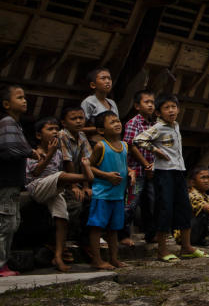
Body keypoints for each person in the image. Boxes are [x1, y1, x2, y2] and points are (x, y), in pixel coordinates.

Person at [134, 95, 205, 262]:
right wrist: (155, 150)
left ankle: (186, 247)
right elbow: (138, 139)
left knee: (184, 207)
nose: (171, 110)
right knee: (164, 209)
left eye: (174, 106)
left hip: (178, 171)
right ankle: (162, 250)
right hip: (164, 173)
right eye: (167, 108)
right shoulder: (159, 127)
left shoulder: (176, 126)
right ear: (159, 112)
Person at [25, 116, 93, 271]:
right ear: (38, 135)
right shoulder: (34, 152)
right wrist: (49, 154)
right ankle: (86, 176)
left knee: (62, 217)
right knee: (60, 176)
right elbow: (36, 172)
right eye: (50, 129)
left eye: (56, 129)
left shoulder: (58, 153)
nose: (55, 132)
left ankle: (58, 256)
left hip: (53, 188)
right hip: (37, 187)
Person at [87, 111, 131, 270]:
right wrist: (106, 175)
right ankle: (97, 260)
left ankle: (114, 258)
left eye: (118, 121)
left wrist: (130, 172)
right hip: (102, 194)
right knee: (97, 227)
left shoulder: (125, 145)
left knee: (114, 229)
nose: (117, 124)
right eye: (112, 122)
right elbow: (89, 166)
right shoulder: (101, 146)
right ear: (101, 130)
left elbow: (123, 165)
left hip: (118, 195)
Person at [0, 85, 33, 276]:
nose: (24, 100)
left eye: (24, 97)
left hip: (11, 182)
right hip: (6, 182)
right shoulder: (7, 123)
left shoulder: (15, 123)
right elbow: (9, 149)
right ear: (6, 104)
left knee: (11, 222)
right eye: (19, 97)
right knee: (6, 223)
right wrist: (30, 151)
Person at [121, 90, 156, 246]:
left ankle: (150, 234)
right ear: (137, 106)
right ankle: (122, 235)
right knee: (131, 204)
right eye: (146, 102)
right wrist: (146, 164)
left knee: (151, 204)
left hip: (151, 172)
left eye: (152, 102)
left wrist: (153, 166)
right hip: (137, 171)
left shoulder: (154, 124)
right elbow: (130, 145)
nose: (150, 105)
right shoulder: (133, 123)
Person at [81, 68, 118, 141]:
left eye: (109, 78)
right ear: (93, 85)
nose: (108, 81)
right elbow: (79, 127)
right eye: (103, 78)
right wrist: (100, 128)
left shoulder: (112, 103)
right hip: (94, 143)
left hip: (111, 142)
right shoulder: (89, 102)